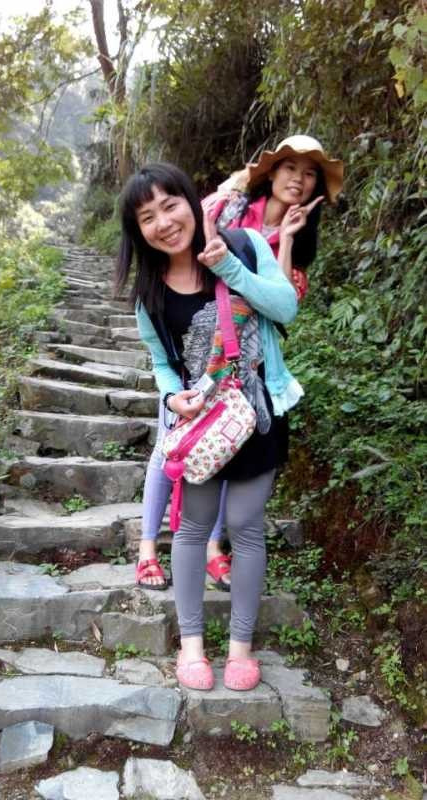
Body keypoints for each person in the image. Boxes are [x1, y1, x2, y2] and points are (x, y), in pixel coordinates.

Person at [116, 161, 301, 691]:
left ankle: (241, 649)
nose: (164, 222)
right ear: (138, 232)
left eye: (170, 205)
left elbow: (285, 308)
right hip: (202, 429)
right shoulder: (149, 296)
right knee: (193, 528)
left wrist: (229, 268)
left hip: (257, 415)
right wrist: (171, 395)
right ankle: (192, 647)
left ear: (191, 202)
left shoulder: (244, 245)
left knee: (244, 525)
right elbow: (162, 362)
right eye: (147, 217)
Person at [134, 136, 343, 590]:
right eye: (290, 168)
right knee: (169, 445)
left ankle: (213, 548)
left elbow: (283, 303)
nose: (299, 180)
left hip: (243, 365)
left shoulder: (293, 237)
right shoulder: (230, 207)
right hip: (192, 355)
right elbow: (184, 228)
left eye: (310, 174)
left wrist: (286, 241)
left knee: (227, 448)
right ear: (272, 172)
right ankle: (147, 548)